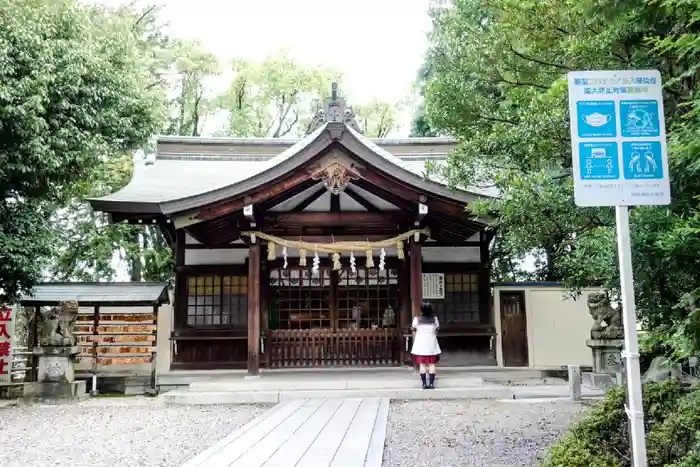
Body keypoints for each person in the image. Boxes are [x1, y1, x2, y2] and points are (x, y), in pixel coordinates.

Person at [410, 301, 441, 389]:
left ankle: (424, 384)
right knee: (432, 364)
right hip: (431, 343)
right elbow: (437, 329)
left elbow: (413, 328)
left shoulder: (417, 319)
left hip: (421, 343)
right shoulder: (434, 319)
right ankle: (431, 384)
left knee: (422, 364)